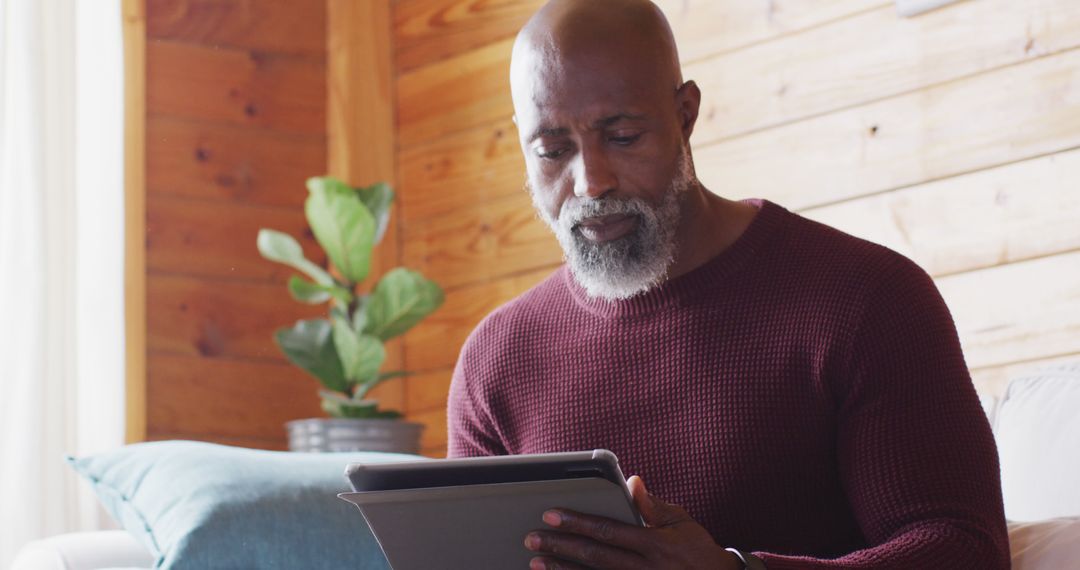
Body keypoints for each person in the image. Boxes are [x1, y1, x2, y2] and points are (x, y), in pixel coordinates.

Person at [445, 0, 1011, 568]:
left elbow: (965, 549)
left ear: (685, 114)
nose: (591, 182)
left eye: (622, 136)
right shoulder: (494, 359)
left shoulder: (868, 298)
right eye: (552, 151)